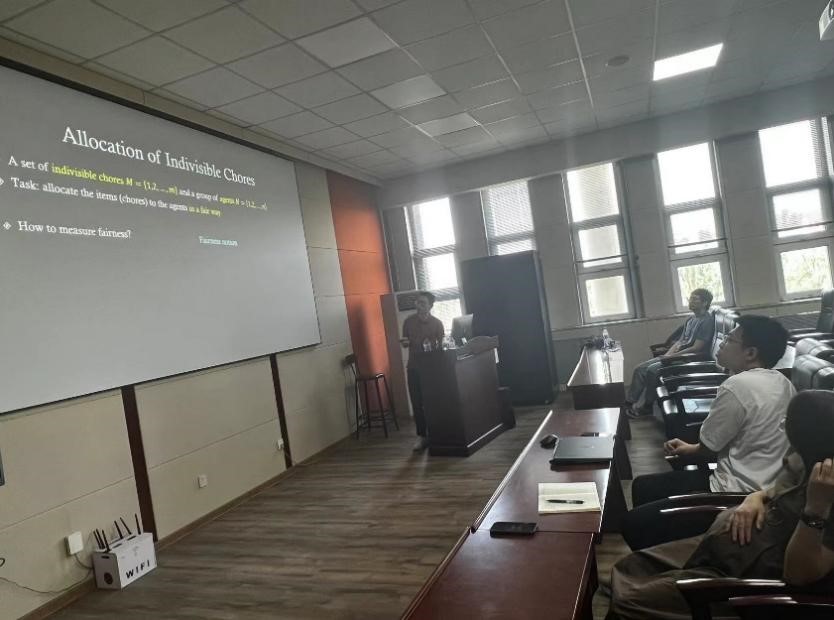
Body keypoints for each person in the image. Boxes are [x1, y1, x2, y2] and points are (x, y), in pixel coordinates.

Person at [606, 390, 834, 620]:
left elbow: (799, 575)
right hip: (731, 544)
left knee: (628, 602)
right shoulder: (807, 459)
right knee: (630, 566)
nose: (782, 427)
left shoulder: (825, 488)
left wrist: (815, 509)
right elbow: (779, 489)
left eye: (788, 423)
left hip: (749, 574)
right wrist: (755, 498)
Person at [622, 314, 794, 550]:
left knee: (633, 523)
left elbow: (708, 447)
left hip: (733, 495)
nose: (721, 344)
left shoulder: (737, 386)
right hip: (763, 487)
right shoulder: (783, 382)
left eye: (729, 340)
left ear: (751, 353)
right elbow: (717, 444)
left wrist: (692, 449)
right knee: (643, 487)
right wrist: (690, 449)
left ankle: (676, 557)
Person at [625, 289, 714, 418]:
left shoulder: (707, 321)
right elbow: (680, 341)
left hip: (688, 359)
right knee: (639, 369)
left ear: (705, 303)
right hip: (675, 356)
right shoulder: (691, 319)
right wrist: (668, 355)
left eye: (695, 299)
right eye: (690, 298)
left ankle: (647, 406)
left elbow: (697, 348)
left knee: (652, 370)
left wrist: (672, 357)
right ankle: (628, 403)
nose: (691, 301)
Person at [400, 291, 445, 452]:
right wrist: (405, 342)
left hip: (432, 370)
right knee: (417, 403)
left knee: (434, 401)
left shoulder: (437, 323)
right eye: (417, 302)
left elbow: (442, 346)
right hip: (414, 367)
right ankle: (422, 436)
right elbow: (405, 342)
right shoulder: (408, 322)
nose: (419, 306)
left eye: (423, 303)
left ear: (430, 306)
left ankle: (439, 432)